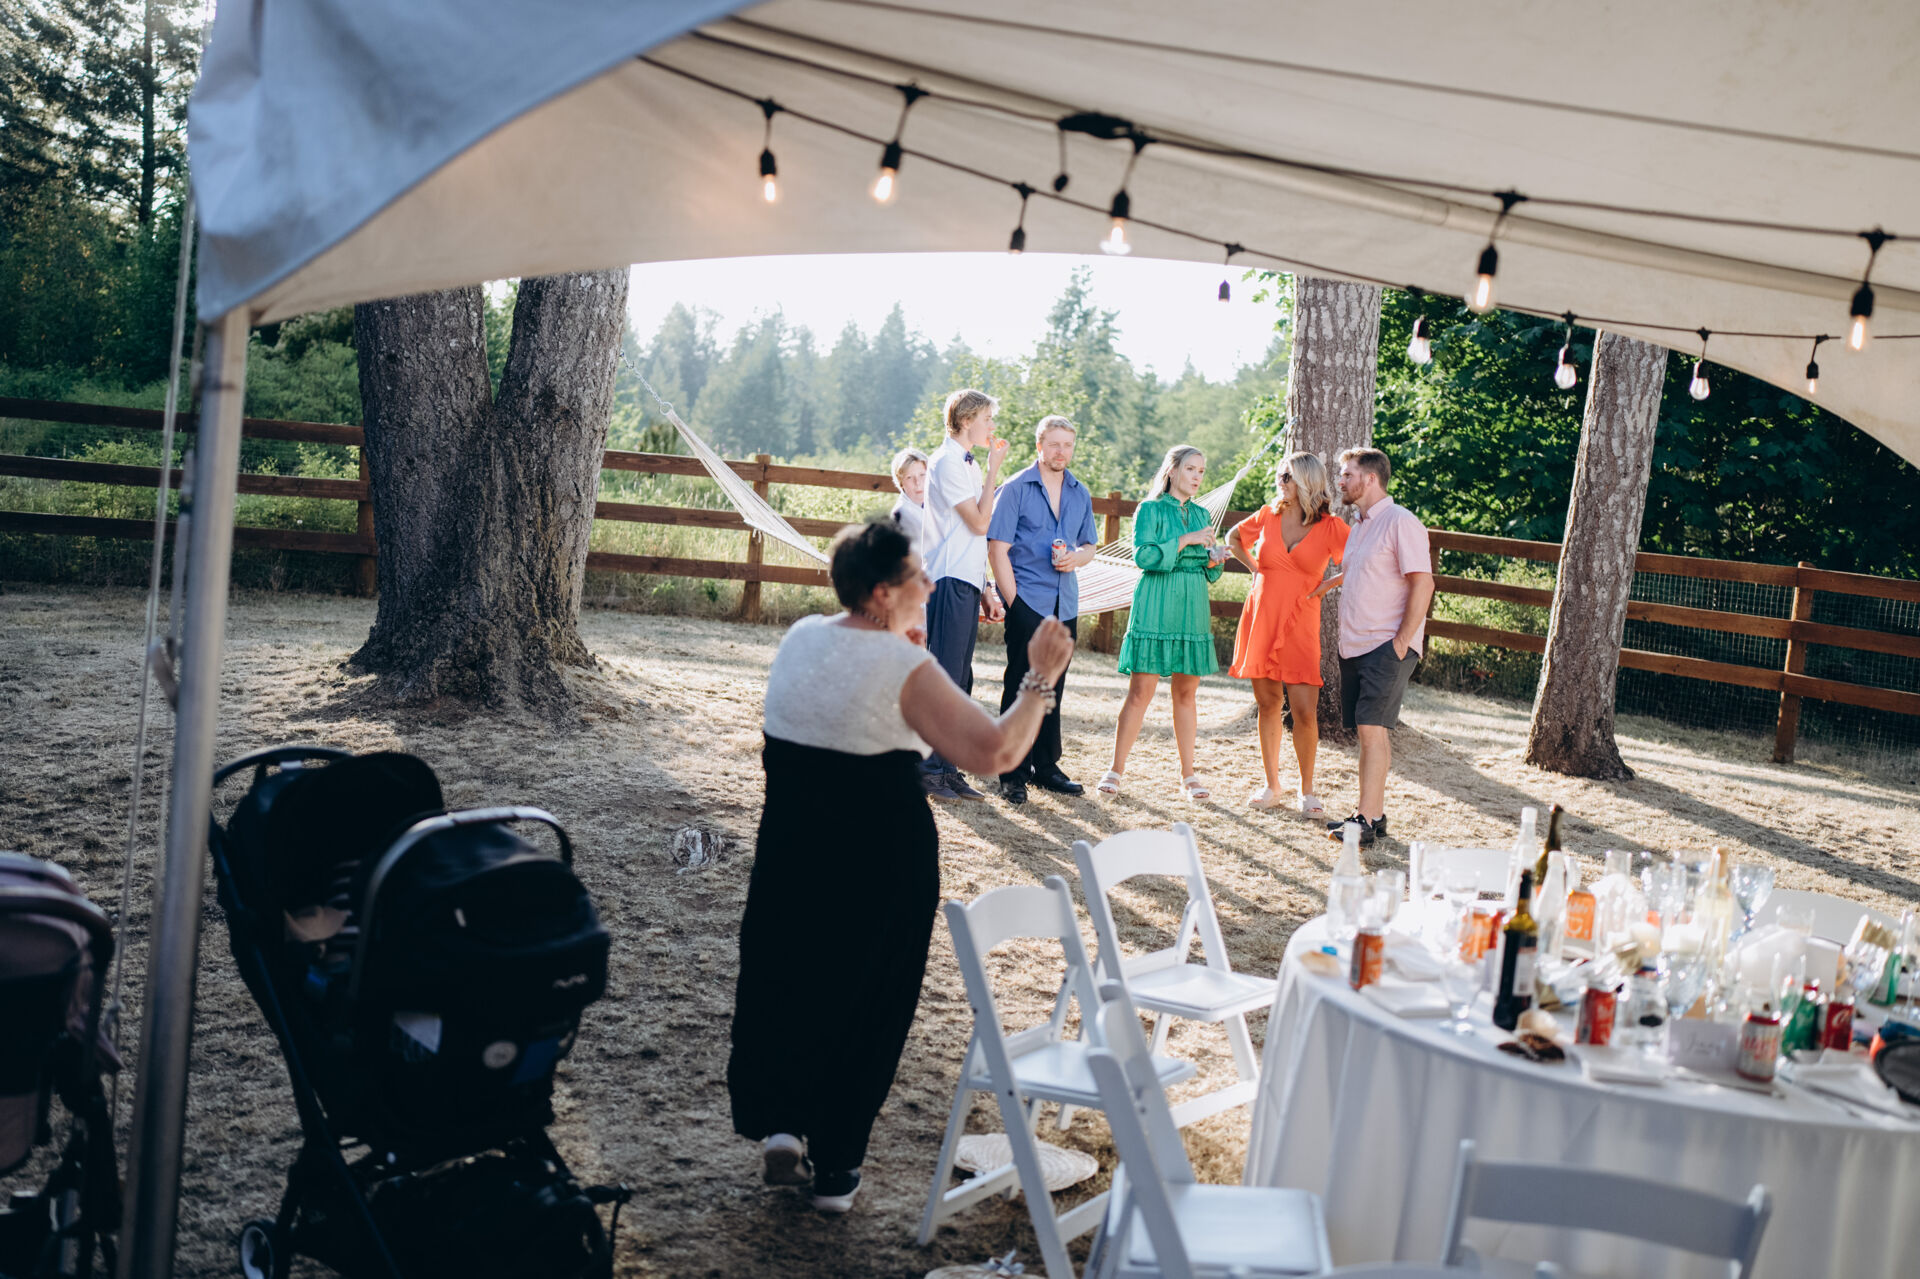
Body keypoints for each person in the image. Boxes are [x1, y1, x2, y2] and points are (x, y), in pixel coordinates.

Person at [729, 519, 1074, 1215]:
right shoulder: (903, 668)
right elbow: (997, 753)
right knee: (867, 998)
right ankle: (836, 1167)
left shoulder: (801, 638)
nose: (931, 583)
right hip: (877, 858)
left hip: (791, 847)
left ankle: (783, 1122)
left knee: (790, 977)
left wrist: (899, 648)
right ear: (884, 593)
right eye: (918, 574)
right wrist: (1040, 677)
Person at [1224, 452, 1348, 813]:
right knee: (1267, 704)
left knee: (1305, 712)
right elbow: (1233, 537)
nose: (1281, 481)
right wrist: (1255, 570)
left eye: (1288, 476)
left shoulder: (1331, 526)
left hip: (1301, 622)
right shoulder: (1268, 515)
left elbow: (1363, 559)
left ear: (1308, 481)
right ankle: (1271, 784)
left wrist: (1327, 586)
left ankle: (1307, 791)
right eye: (1280, 475)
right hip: (1262, 616)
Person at [1101, 445, 1225, 801]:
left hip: (1192, 603)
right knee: (1141, 691)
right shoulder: (1150, 509)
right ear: (1172, 471)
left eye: (1201, 471)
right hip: (1156, 601)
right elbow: (1143, 556)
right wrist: (1185, 540)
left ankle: (1189, 775)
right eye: (1190, 469)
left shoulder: (1202, 514)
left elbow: (1207, 570)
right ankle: (1115, 770)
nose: (1197, 477)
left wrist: (1214, 560)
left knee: (1186, 693)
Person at [986, 414, 1099, 805]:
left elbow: (1090, 546)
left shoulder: (1080, 492)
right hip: (1028, 601)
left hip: (1065, 603)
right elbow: (997, 549)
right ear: (1040, 446)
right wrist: (1014, 603)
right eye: (1054, 444)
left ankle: (1046, 767)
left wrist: (1077, 558)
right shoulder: (1016, 488)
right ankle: (1011, 772)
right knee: (1021, 686)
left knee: (1054, 687)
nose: (1061, 452)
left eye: (1067, 445)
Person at [1323, 446, 1433, 846]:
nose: (1340, 481)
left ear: (1371, 479)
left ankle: (1365, 821)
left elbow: (1423, 582)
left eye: (1347, 474)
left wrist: (1401, 642)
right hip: (1355, 644)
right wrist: (1326, 584)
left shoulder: (1401, 521)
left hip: (1386, 645)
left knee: (1371, 730)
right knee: (1369, 731)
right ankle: (1374, 814)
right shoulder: (1360, 525)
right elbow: (1367, 571)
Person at [918, 389, 1009, 802]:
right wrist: (993, 471)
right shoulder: (947, 462)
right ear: (967, 420)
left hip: (967, 579)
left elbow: (976, 536)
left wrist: (986, 586)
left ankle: (947, 767)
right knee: (945, 676)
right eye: (988, 418)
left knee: (961, 677)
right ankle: (929, 770)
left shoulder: (966, 463)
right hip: (947, 578)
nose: (992, 426)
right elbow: (978, 523)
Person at [888, 446, 934, 561]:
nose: (917, 482)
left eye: (922, 475)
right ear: (901, 483)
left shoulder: (935, 501)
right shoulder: (901, 514)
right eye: (909, 477)